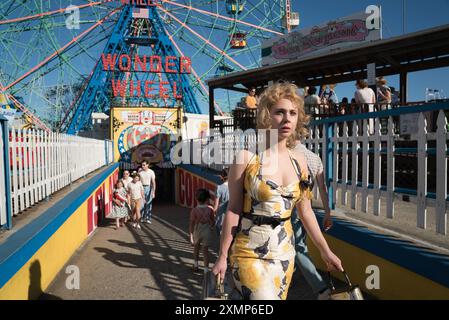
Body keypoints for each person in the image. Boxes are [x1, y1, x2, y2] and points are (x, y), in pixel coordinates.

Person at [212, 82, 343, 300]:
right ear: (266, 115)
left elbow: (306, 212)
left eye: (293, 113)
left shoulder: (299, 162)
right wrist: (222, 255)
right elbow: (233, 210)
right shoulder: (246, 158)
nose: (287, 118)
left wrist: (325, 250)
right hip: (248, 251)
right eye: (280, 112)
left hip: (284, 253)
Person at [292, 143, 334, 300]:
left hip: (291, 208)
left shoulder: (289, 153)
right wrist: (327, 213)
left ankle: (321, 288)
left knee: (297, 248)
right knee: (299, 245)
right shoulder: (316, 158)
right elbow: (322, 188)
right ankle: (290, 276)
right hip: (307, 208)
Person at [189, 189, 215, 272]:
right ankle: (206, 270)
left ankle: (196, 265)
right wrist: (211, 226)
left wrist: (191, 236)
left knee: (196, 248)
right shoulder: (210, 209)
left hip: (197, 230)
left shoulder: (194, 210)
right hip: (207, 231)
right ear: (207, 199)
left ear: (196, 199)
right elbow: (213, 221)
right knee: (205, 251)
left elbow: (192, 224)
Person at [213, 168, 230, 237]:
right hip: (231, 212)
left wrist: (213, 214)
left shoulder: (219, 187)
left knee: (221, 232)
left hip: (221, 214)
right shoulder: (234, 187)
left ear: (221, 176)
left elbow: (216, 204)